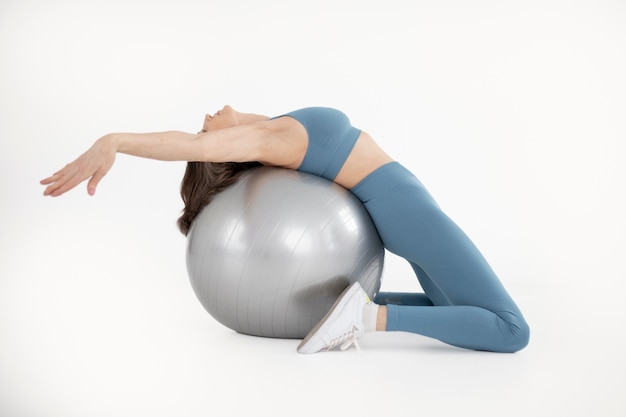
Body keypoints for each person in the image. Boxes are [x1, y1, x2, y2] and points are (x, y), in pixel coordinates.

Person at [41, 105, 530, 354]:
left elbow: (197, 139)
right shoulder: (268, 139)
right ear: (224, 145)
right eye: (208, 129)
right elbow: (183, 143)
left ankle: (360, 313)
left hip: (402, 208)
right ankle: (366, 320)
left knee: (461, 313)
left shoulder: (275, 129)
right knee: (511, 330)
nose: (207, 116)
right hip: (406, 209)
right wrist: (115, 141)